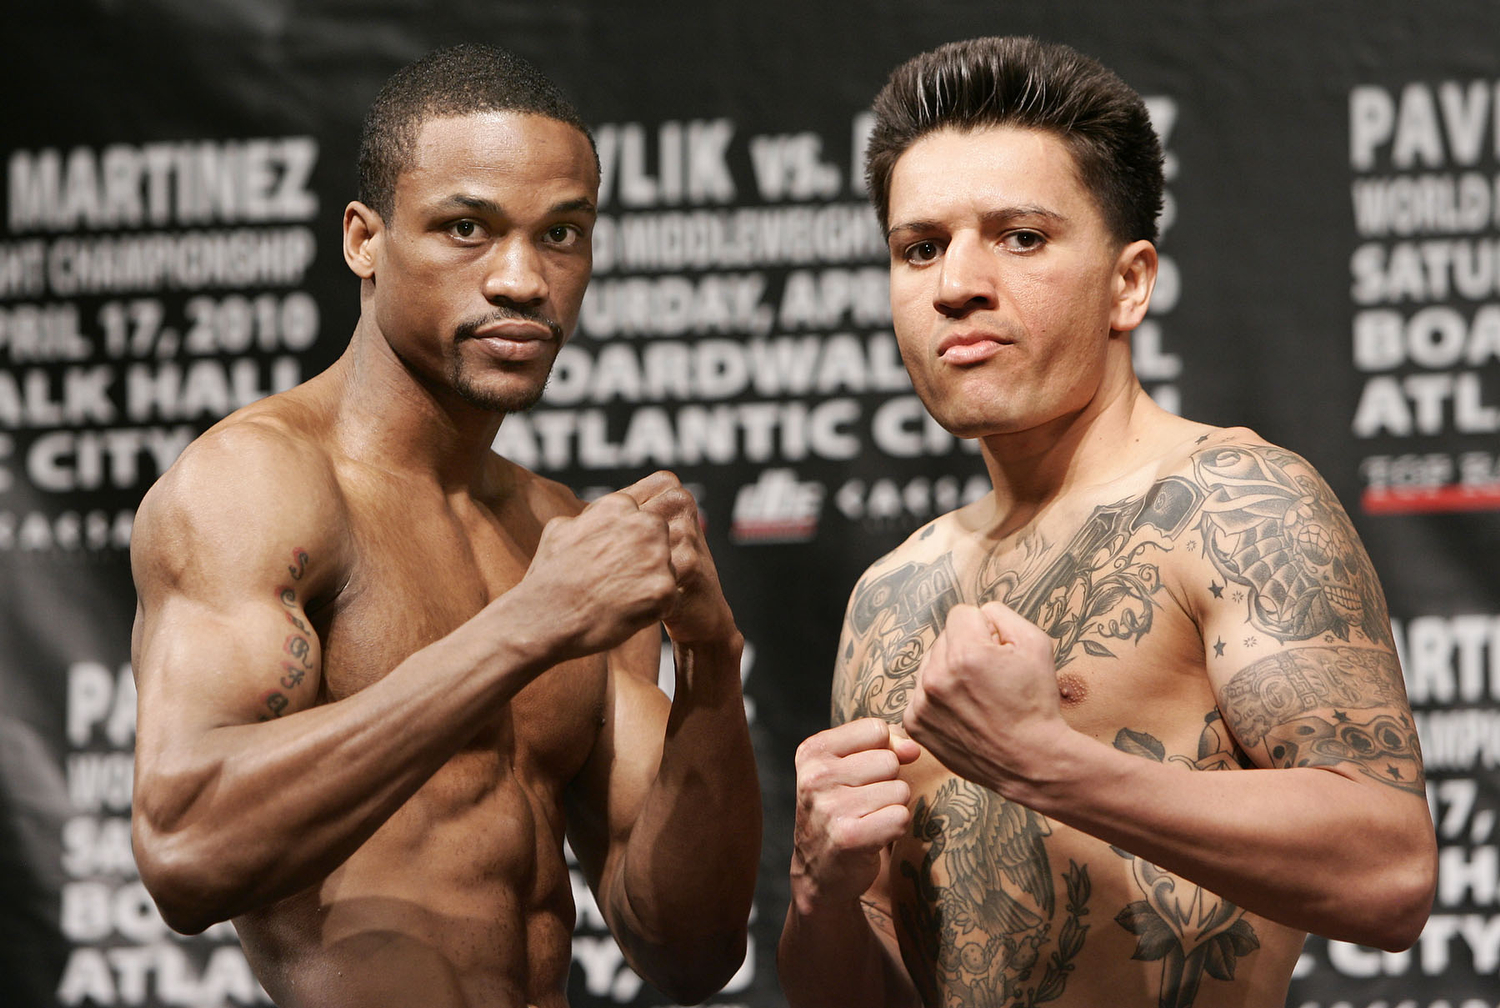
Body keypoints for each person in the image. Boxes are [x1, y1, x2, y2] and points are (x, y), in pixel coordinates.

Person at [779, 36, 1437, 1008]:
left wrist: (1051, 765)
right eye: (920, 247)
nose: (956, 282)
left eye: (1021, 237)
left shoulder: (1230, 501)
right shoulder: (889, 597)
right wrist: (817, 895)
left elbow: (1391, 877)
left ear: (1129, 283)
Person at [129, 43, 760, 1008]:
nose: (522, 280)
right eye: (467, 228)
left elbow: (687, 951)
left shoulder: (560, 534)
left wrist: (712, 663)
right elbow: (185, 849)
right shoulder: (260, 485)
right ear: (363, 241)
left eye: (563, 235)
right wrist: (525, 627)